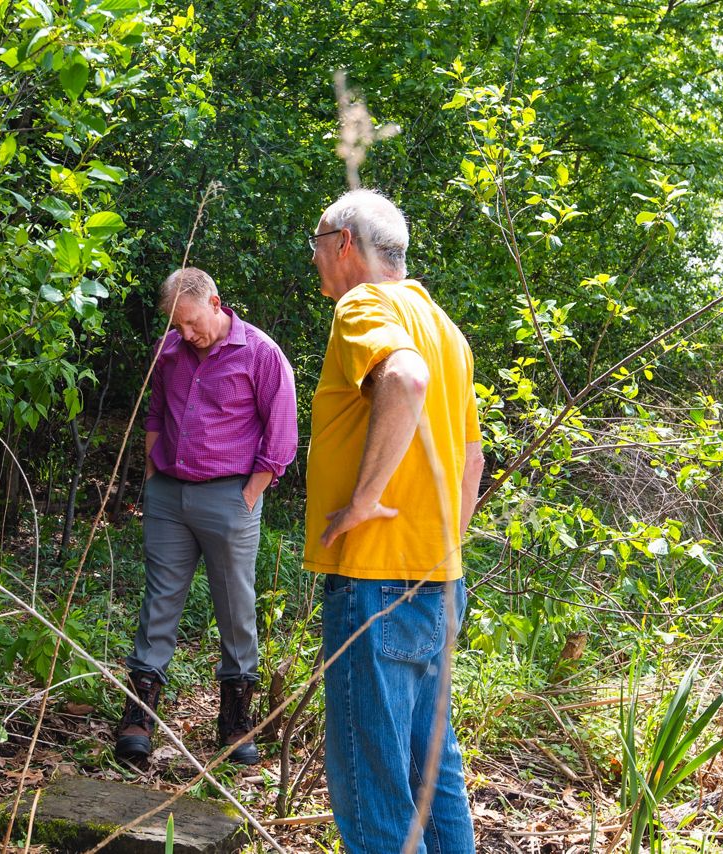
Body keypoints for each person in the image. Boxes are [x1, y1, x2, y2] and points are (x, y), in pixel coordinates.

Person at [304, 189, 483, 853]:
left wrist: (363, 500)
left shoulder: (365, 304)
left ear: (343, 244)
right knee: (432, 780)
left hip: (374, 582)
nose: (315, 260)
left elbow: (403, 381)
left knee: (374, 790)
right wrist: (443, 551)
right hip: (437, 581)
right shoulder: (443, 327)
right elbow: (472, 460)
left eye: (317, 244)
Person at [115, 267, 298, 766]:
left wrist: (248, 496)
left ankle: (236, 724)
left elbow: (281, 438)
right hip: (168, 497)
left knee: (236, 610)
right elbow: (155, 414)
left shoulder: (261, 353)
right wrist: (153, 479)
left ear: (216, 303)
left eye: (192, 323)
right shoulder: (169, 350)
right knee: (159, 602)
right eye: (177, 326)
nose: (186, 334)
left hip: (230, 497)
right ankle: (138, 719)